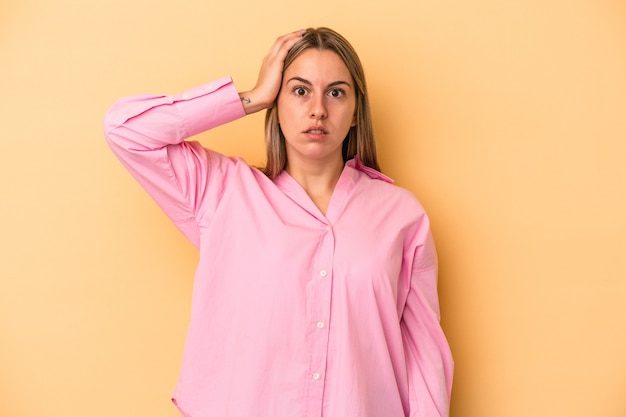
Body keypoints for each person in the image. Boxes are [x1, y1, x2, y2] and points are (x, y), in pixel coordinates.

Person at [104, 27, 453, 417]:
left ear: (356, 112)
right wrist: (252, 96)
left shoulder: (402, 216)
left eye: (336, 92)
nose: (318, 109)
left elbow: (425, 359)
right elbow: (125, 130)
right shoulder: (222, 193)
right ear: (277, 101)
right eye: (300, 90)